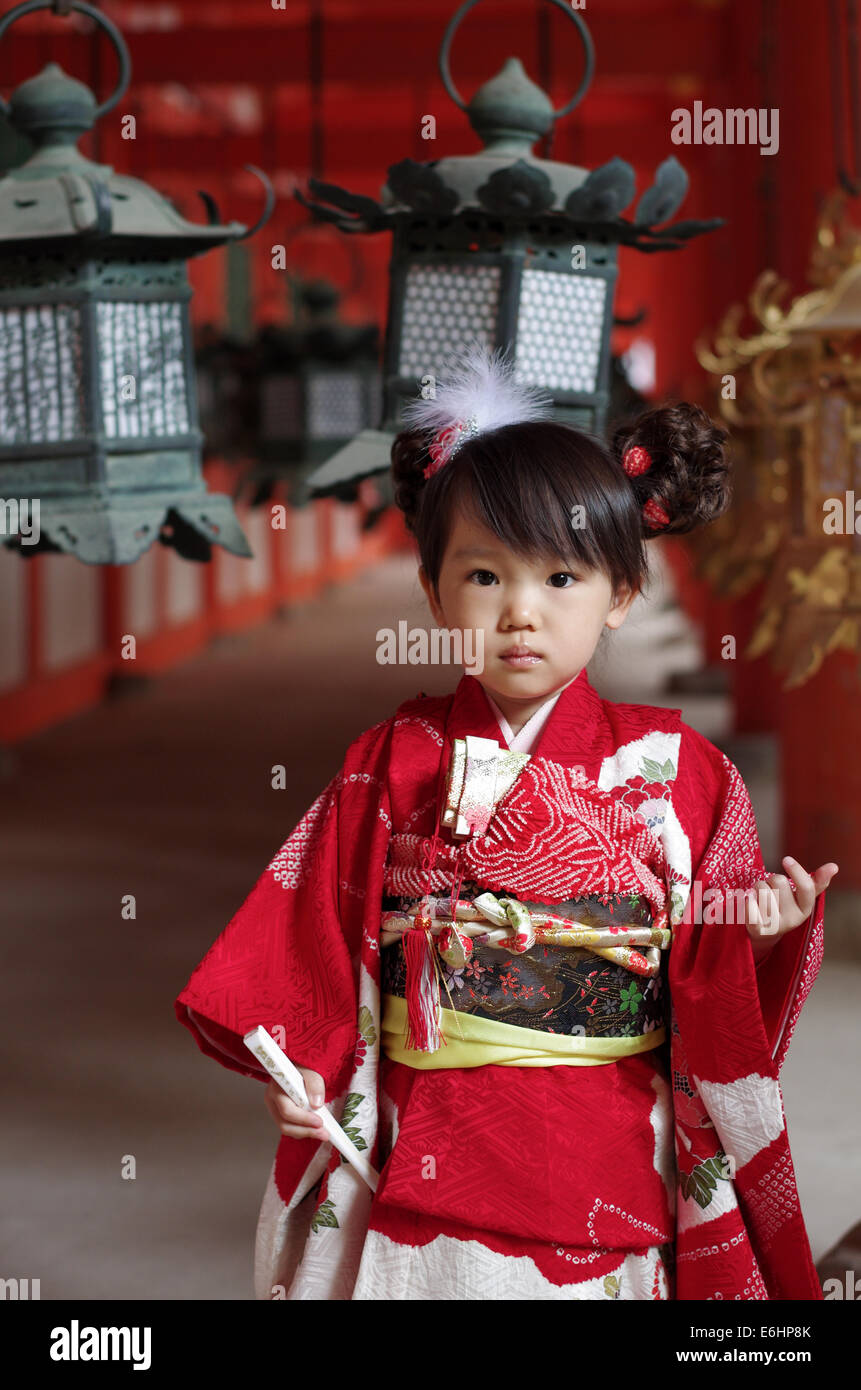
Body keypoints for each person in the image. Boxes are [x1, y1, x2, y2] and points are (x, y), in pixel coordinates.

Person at [175, 342, 836, 1301]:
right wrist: (301, 1065)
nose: (520, 612)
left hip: (602, 1136)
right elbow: (315, 931)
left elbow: (711, 971)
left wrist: (760, 935)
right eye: (484, 577)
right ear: (434, 592)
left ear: (621, 595)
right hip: (427, 1123)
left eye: (560, 580)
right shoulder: (385, 762)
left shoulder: (683, 774)